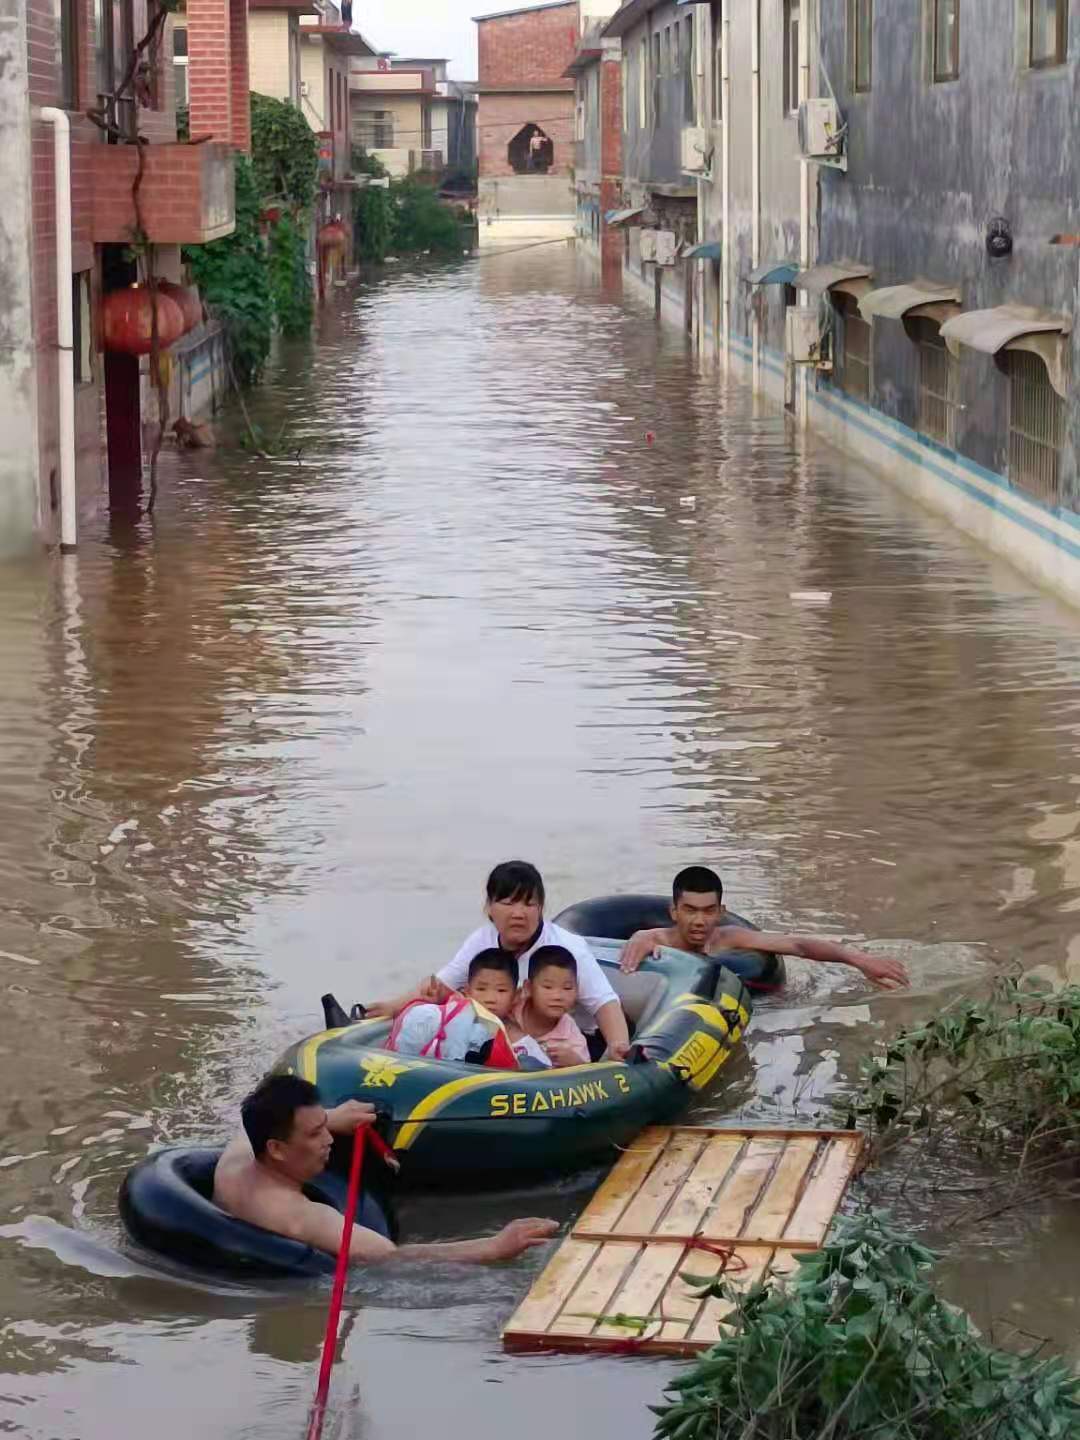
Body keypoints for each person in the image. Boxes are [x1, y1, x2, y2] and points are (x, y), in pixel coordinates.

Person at [214, 1074, 557, 1264]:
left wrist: (334, 1118)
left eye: (324, 1126)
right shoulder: (298, 1216)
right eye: (315, 1133)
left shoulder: (235, 1161)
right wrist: (494, 1246)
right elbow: (390, 1257)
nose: (329, 1140)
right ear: (276, 1148)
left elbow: (247, 1129)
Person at [368, 861, 631, 1059]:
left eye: (529, 904)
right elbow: (440, 987)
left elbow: (604, 1003)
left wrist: (618, 1050)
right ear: (489, 908)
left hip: (570, 1042)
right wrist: (391, 1008)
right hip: (508, 1036)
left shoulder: (568, 948)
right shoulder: (481, 940)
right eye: (508, 903)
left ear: (541, 908)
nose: (519, 913)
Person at [619, 865, 910, 990]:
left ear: (721, 912)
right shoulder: (653, 940)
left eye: (708, 911)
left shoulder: (728, 938)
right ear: (673, 911)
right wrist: (640, 938)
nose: (699, 921)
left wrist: (860, 960)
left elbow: (798, 945)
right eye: (690, 910)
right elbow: (632, 952)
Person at [387, 948, 519, 1067]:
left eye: (501, 990)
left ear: (516, 996)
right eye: (481, 989)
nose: (490, 998)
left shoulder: (518, 1035)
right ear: (467, 991)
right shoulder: (441, 1016)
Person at [509, 946, 590, 1069]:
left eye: (567, 988)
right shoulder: (508, 1009)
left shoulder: (572, 1039)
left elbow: (588, 1077)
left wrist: (577, 1064)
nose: (558, 996)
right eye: (548, 987)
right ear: (528, 988)